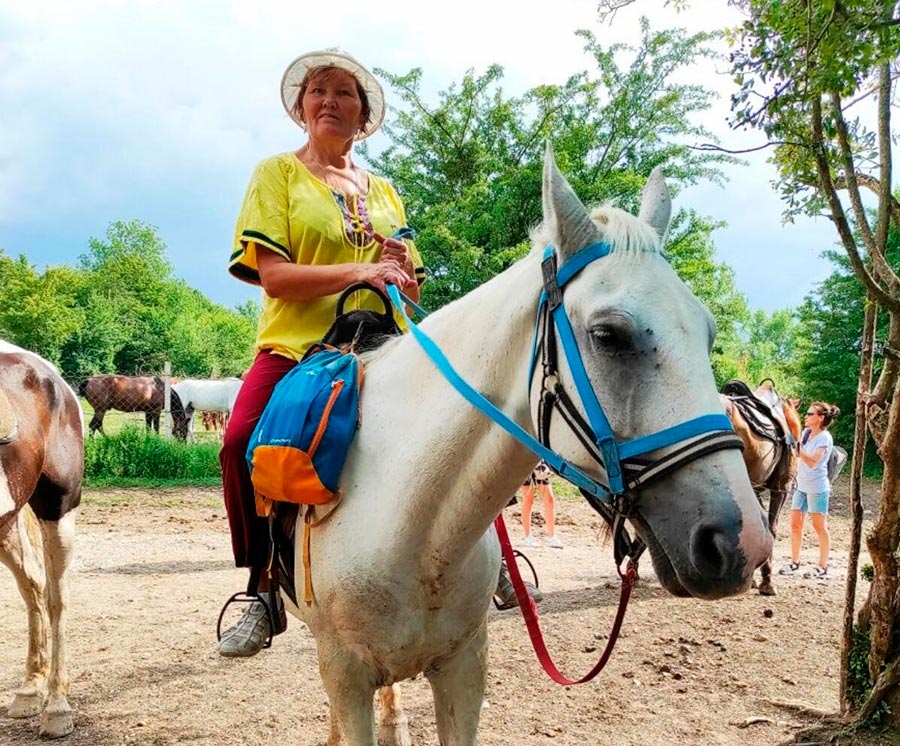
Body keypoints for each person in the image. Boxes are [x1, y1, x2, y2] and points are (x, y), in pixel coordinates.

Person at [217, 49, 424, 657]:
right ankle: (261, 589)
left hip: (383, 342)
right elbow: (275, 278)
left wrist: (401, 273)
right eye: (317, 91)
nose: (329, 100)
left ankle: (486, 557)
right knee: (238, 443)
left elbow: (407, 284)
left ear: (363, 117)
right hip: (298, 346)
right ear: (302, 110)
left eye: (344, 93)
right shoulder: (275, 174)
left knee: (464, 417)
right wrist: (362, 267)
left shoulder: (386, 191)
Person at [779, 401, 840, 580]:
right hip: (801, 486)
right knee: (795, 525)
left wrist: (797, 447)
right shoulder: (806, 433)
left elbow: (813, 462)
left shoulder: (825, 438)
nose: (806, 416)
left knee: (819, 526)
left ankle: (822, 566)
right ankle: (794, 561)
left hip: (817, 488)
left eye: (810, 414)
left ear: (820, 418)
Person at [519, 461, 562, 549]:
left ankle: (552, 536)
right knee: (528, 500)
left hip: (540, 464)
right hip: (525, 463)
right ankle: (528, 537)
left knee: (550, 500)